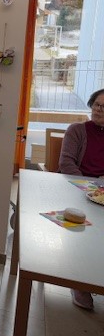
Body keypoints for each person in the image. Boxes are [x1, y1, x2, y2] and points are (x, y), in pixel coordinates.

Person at [58, 88, 104, 310]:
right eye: (96, 104)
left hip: (102, 191)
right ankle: (80, 282)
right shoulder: (77, 130)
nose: (99, 109)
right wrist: (90, 188)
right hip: (76, 188)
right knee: (86, 230)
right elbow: (66, 164)